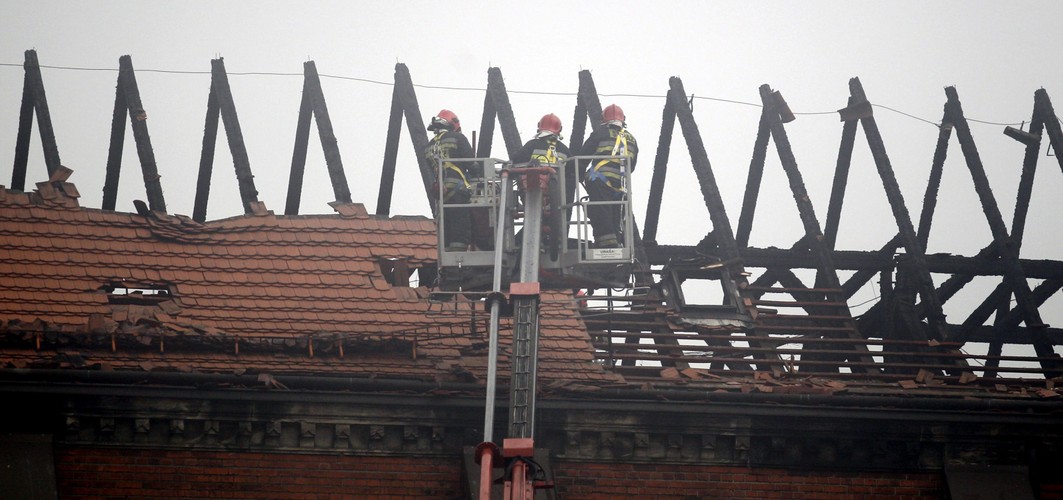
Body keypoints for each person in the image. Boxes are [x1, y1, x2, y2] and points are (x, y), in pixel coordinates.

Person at [579, 104, 638, 248]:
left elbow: (583, 156)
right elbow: (632, 166)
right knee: (615, 213)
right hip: (621, 184)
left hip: (600, 180)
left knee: (600, 210)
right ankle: (616, 240)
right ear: (623, 120)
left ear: (604, 119)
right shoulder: (632, 139)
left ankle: (605, 243)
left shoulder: (600, 133)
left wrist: (578, 173)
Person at [512, 114, 572, 251]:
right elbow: (571, 171)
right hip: (556, 194)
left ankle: (535, 241)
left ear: (540, 128)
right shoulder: (564, 149)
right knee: (552, 217)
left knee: (534, 216)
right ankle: (552, 239)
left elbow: (517, 160)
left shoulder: (532, 145)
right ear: (559, 129)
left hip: (532, 190)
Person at [425, 109, 475, 252]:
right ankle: (458, 258)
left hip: (442, 194)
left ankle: (447, 256)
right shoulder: (458, 138)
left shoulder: (429, 147)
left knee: (446, 228)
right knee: (460, 227)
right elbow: (472, 164)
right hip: (458, 191)